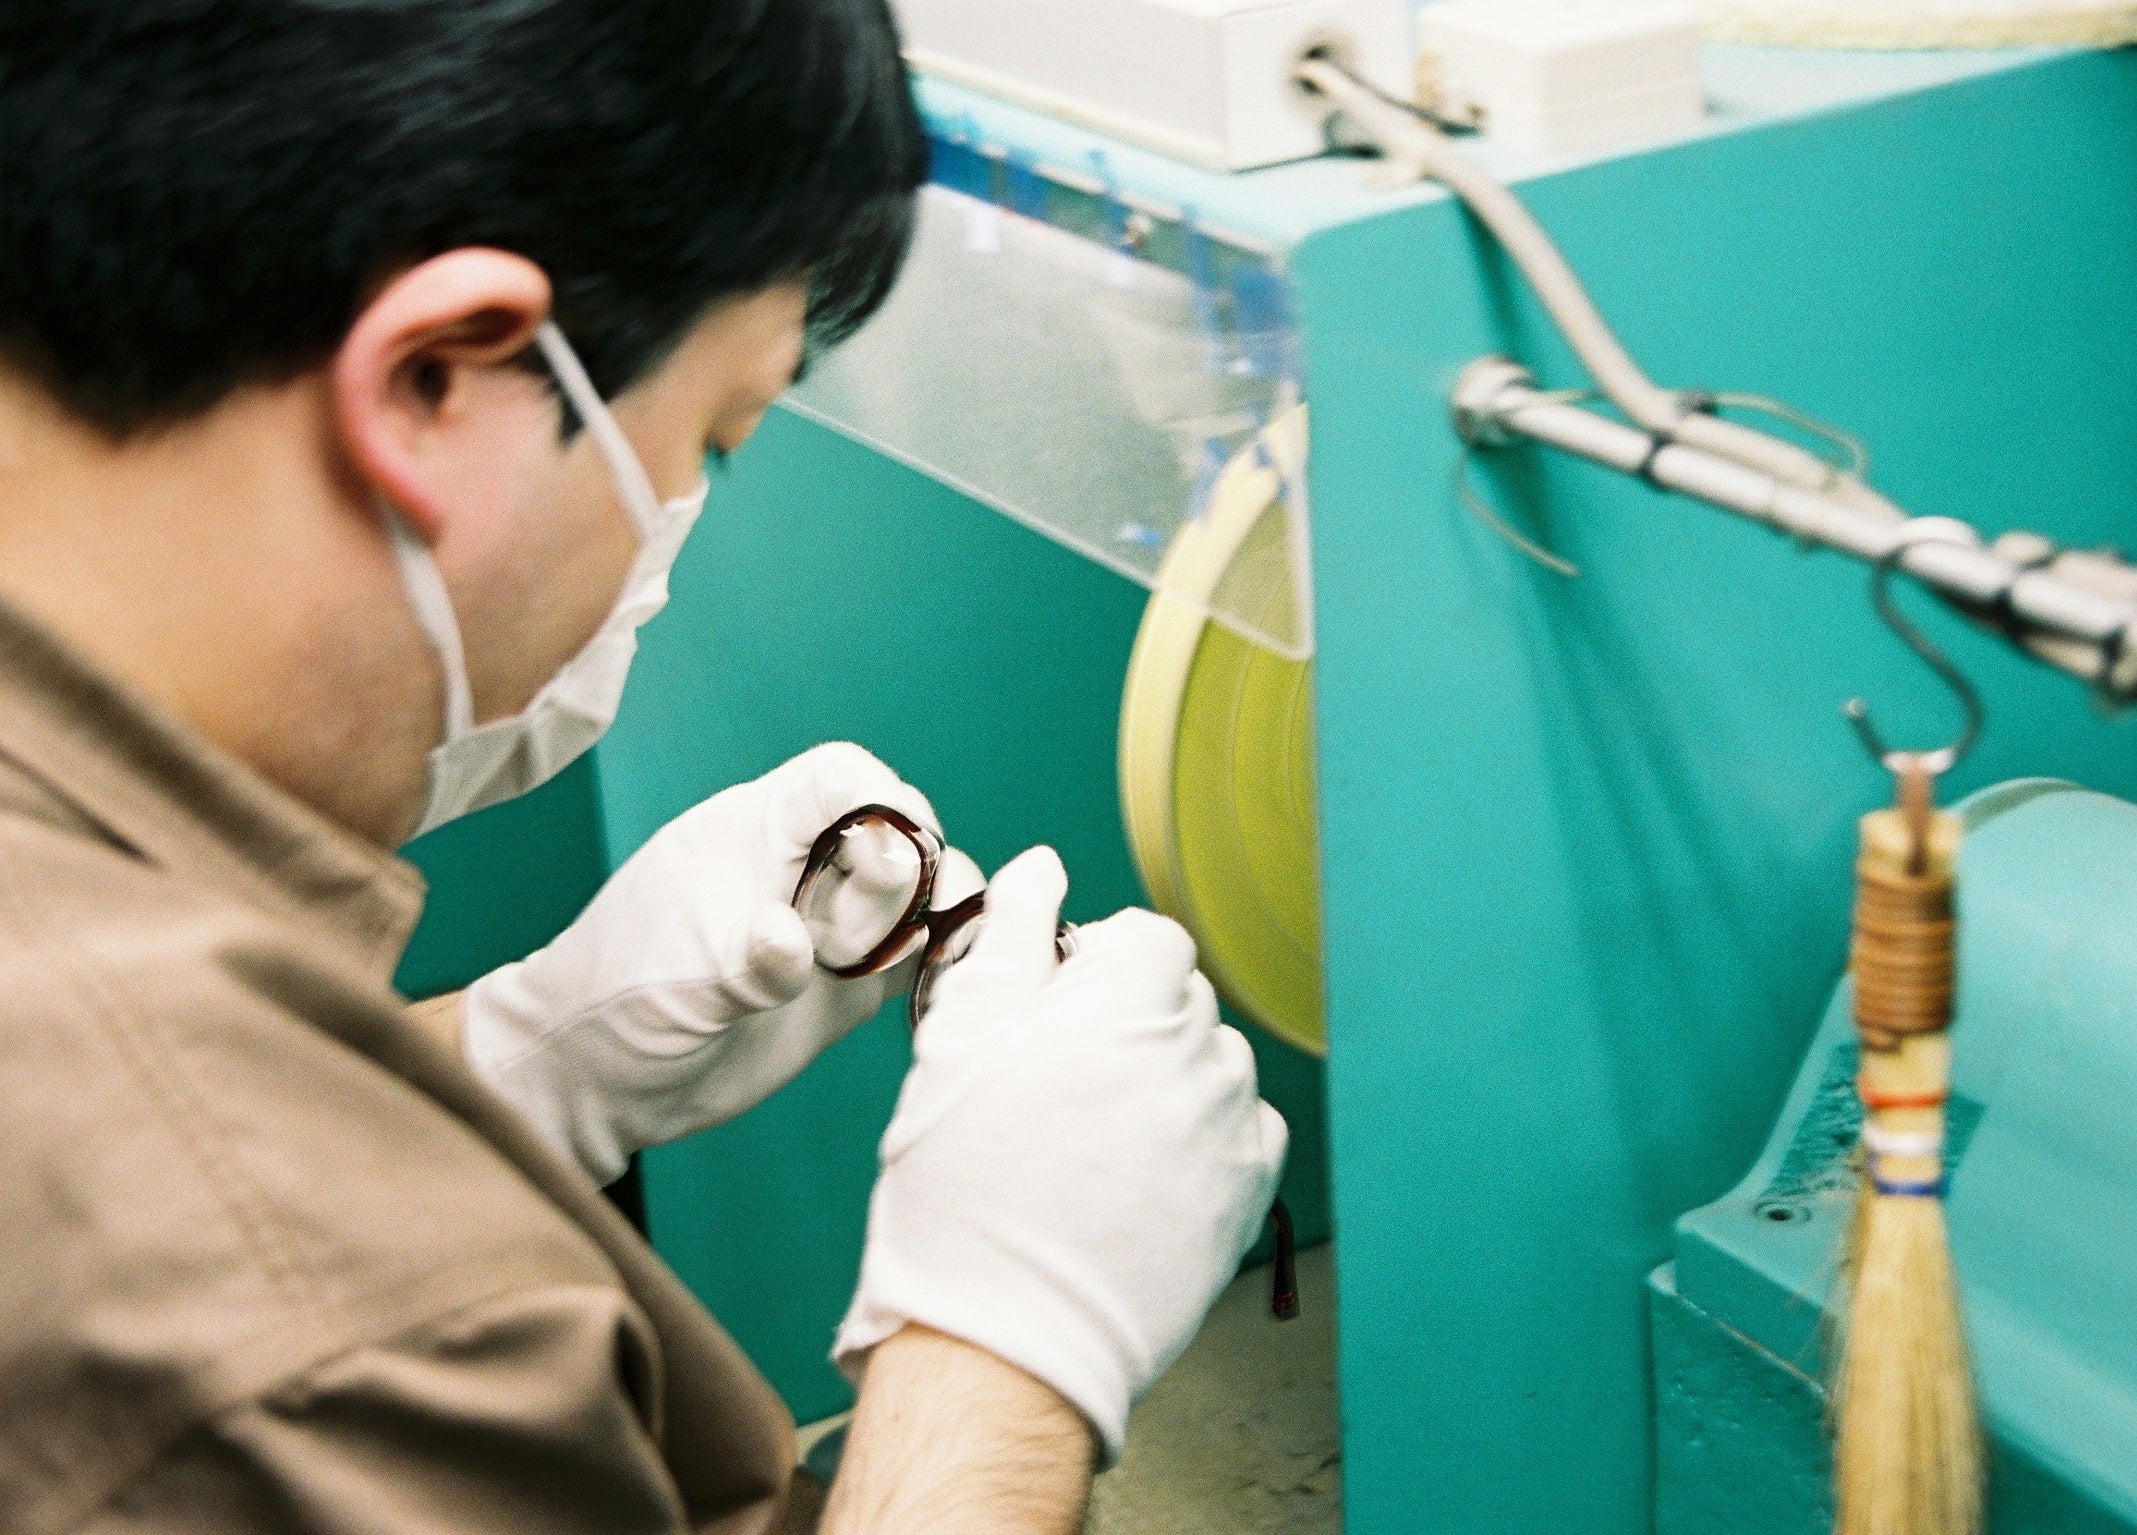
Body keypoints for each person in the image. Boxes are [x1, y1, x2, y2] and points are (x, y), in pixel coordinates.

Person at [0, 3, 1288, 1533]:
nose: (677, 509)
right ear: (435, 380)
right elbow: (232, 1260)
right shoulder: (304, 1339)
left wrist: (511, 1065)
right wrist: (1006, 1355)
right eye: (712, 439)